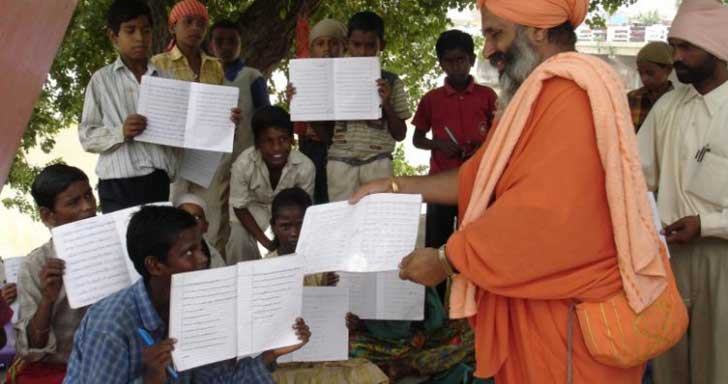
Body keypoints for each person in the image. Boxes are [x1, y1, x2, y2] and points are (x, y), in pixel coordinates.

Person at [349, 0, 688, 382]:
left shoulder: (570, 97)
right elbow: (477, 180)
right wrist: (392, 186)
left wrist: (445, 260)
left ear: (537, 31)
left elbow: (540, 218)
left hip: (571, 323)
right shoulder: (534, 95)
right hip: (537, 311)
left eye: (496, 34)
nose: (489, 50)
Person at [63, 205, 310, 383]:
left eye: (201, 247)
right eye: (189, 252)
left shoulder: (200, 306)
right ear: (155, 265)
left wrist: (272, 352)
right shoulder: (110, 325)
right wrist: (152, 378)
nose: (203, 258)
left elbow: (218, 380)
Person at [637, 1, 728, 383]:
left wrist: (706, 224)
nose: (676, 58)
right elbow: (635, 176)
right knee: (667, 364)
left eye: (686, 47)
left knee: (717, 363)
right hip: (668, 258)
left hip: (721, 259)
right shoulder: (668, 108)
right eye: (674, 46)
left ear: (718, 47)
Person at [264, 188, 388, 384]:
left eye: (301, 225)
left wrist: (347, 320)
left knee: (367, 371)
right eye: (285, 226)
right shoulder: (264, 269)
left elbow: (343, 314)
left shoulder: (328, 262)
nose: (294, 233)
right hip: (284, 355)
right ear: (273, 226)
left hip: (326, 350)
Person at [152, 0, 239, 259]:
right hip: (174, 154)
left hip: (207, 154)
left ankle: (212, 268)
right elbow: (154, 111)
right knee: (173, 211)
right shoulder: (159, 63)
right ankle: (174, 266)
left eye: (201, 23)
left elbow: (221, 106)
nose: (195, 28)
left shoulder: (214, 65)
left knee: (212, 214)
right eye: (188, 22)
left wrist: (231, 115)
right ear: (172, 27)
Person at [412, 29, 497, 293]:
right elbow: (417, 139)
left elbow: (499, 138)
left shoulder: (487, 97)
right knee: (436, 246)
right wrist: (438, 144)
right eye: (449, 61)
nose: (455, 66)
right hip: (439, 185)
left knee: (475, 244)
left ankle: (472, 304)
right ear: (441, 63)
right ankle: (435, 312)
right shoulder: (431, 100)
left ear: (472, 59)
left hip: (477, 185)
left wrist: (480, 149)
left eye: (460, 59)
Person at [79, 0, 178, 214]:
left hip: (157, 180)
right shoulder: (101, 80)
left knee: (157, 244)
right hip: (117, 184)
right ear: (114, 36)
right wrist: (120, 132)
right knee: (124, 245)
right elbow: (87, 136)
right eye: (130, 30)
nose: (140, 38)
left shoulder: (167, 79)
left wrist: (221, 122)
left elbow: (183, 126)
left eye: (146, 30)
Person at [10, 164, 96, 383]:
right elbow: (32, 349)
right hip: (62, 369)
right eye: (73, 202)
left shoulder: (118, 243)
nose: (87, 207)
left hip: (115, 360)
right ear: (48, 215)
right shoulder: (35, 265)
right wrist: (48, 298)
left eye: (89, 195)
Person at [325, 11, 411, 202]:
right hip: (340, 162)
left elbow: (401, 134)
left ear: (382, 46)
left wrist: (386, 104)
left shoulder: (391, 82)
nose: (363, 52)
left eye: (371, 45)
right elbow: (324, 132)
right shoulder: (333, 79)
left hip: (378, 161)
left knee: (377, 220)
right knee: (342, 220)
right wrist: (300, 101)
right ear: (347, 44)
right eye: (357, 45)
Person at [227, 106, 315, 263]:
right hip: (251, 212)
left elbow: (305, 209)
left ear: (292, 140)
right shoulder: (243, 164)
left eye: (283, 139)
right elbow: (239, 207)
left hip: (288, 217)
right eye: (268, 141)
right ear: (257, 144)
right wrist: (267, 244)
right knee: (238, 240)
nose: (276, 148)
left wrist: (287, 236)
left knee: (297, 243)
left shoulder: (305, 166)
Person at [289, 16, 348, 204]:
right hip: (311, 148)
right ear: (311, 49)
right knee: (315, 200)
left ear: (343, 47)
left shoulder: (351, 76)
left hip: (342, 149)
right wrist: (295, 99)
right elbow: (299, 122)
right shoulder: (304, 75)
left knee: (339, 199)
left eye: (333, 43)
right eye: (320, 43)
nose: (327, 49)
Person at [208, 19, 270, 156]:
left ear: (240, 44)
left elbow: (266, 120)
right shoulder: (202, 79)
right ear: (210, 46)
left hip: (244, 158)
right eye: (219, 41)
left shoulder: (252, 77)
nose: (226, 46)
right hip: (209, 159)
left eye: (233, 41)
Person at [628, 41, 674, 132]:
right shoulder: (631, 98)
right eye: (641, 73)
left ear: (668, 70)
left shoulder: (678, 102)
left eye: (650, 73)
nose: (644, 78)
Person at [174, 193, 226, 268]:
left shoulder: (215, 258)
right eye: (184, 216)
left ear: (206, 226)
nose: (190, 221)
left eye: (197, 217)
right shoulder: (168, 251)